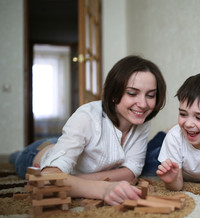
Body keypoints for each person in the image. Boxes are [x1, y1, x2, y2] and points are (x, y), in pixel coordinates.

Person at [9, 55, 166, 205]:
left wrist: (74, 179)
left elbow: (131, 172)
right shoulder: (87, 116)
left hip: (73, 155)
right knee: (15, 158)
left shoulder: (141, 121)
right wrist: (103, 188)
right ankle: (14, 154)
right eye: (132, 93)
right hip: (37, 153)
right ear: (113, 93)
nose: (143, 104)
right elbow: (48, 178)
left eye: (150, 95)